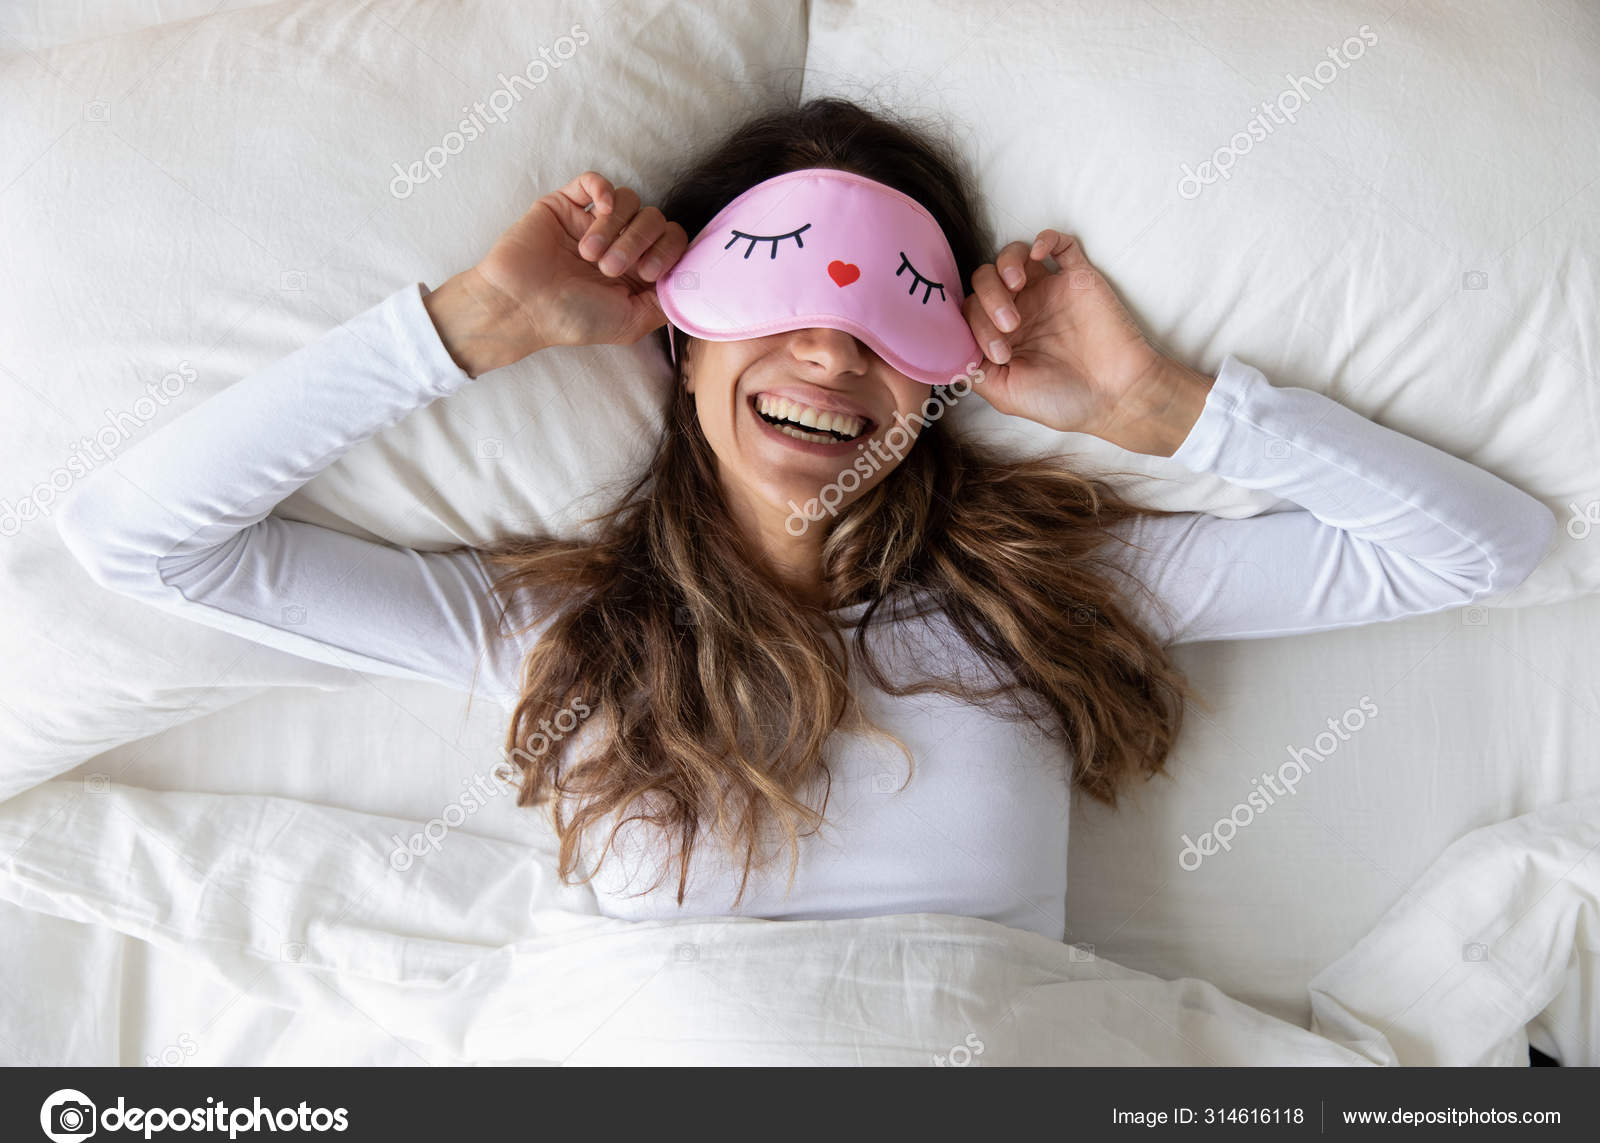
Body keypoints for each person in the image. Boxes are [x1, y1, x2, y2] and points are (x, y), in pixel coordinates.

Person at [57, 98, 1556, 941]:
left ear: (948, 371)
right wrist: (474, 325)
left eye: (896, 306)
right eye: (772, 291)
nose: (832, 349)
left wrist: (1157, 406)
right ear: (682, 339)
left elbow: (1484, 550)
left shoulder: (1044, 593)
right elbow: (141, 540)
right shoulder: (559, 634)